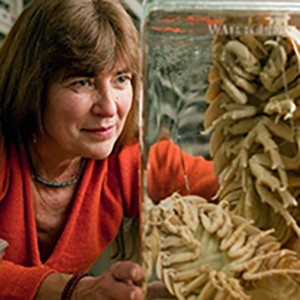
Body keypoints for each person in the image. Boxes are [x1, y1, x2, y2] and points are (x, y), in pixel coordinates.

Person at [0, 0, 219, 299]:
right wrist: (77, 291)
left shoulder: (125, 157)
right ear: (32, 86)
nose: (109, 107)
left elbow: (225, 186)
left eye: (121, 79)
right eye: (82, 82)